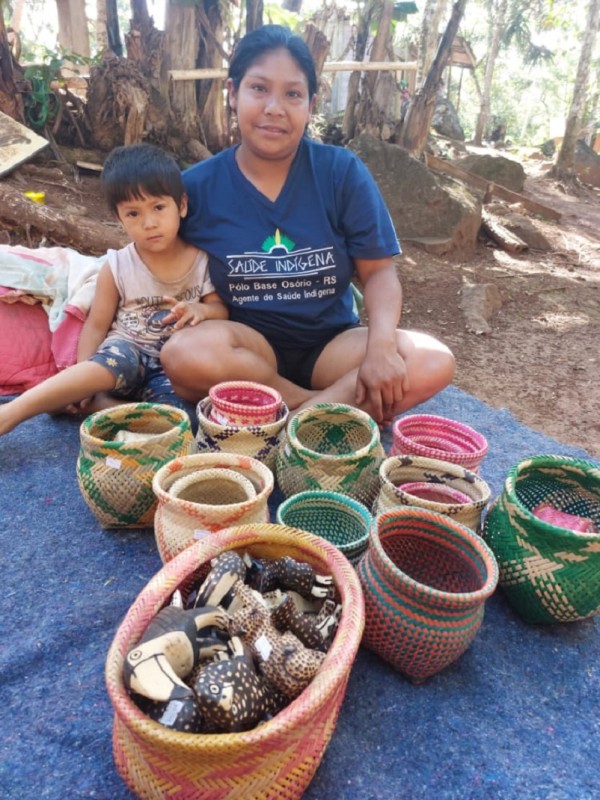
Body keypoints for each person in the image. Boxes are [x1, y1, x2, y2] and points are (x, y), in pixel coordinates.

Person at [160, 24, 455, 426]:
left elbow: (380, 271)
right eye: (259, 88)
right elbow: (149, 260)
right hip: (246, 350)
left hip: (331, 348)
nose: (274, 108)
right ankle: (323, 413)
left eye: (293, 94)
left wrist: (381, 348)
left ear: (311, 104)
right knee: (183, 355)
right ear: (232, 92)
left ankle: (286, 422)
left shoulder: (341, 172)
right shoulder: (196, 187)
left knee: (432, 359)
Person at [0, 143, 227, 437]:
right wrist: (82, 376)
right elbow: (97, 324)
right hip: (125, 351)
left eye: (158, 207)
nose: (149, 223)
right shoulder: (118, 265)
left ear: (181, 205)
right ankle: (11, 413)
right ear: (119, 219)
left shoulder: (201, 260)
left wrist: (200, 309)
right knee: (105, 365)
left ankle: (100, 407)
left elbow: (221, 310)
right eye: (133, 214)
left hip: (172, 365)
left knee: (179, 422)